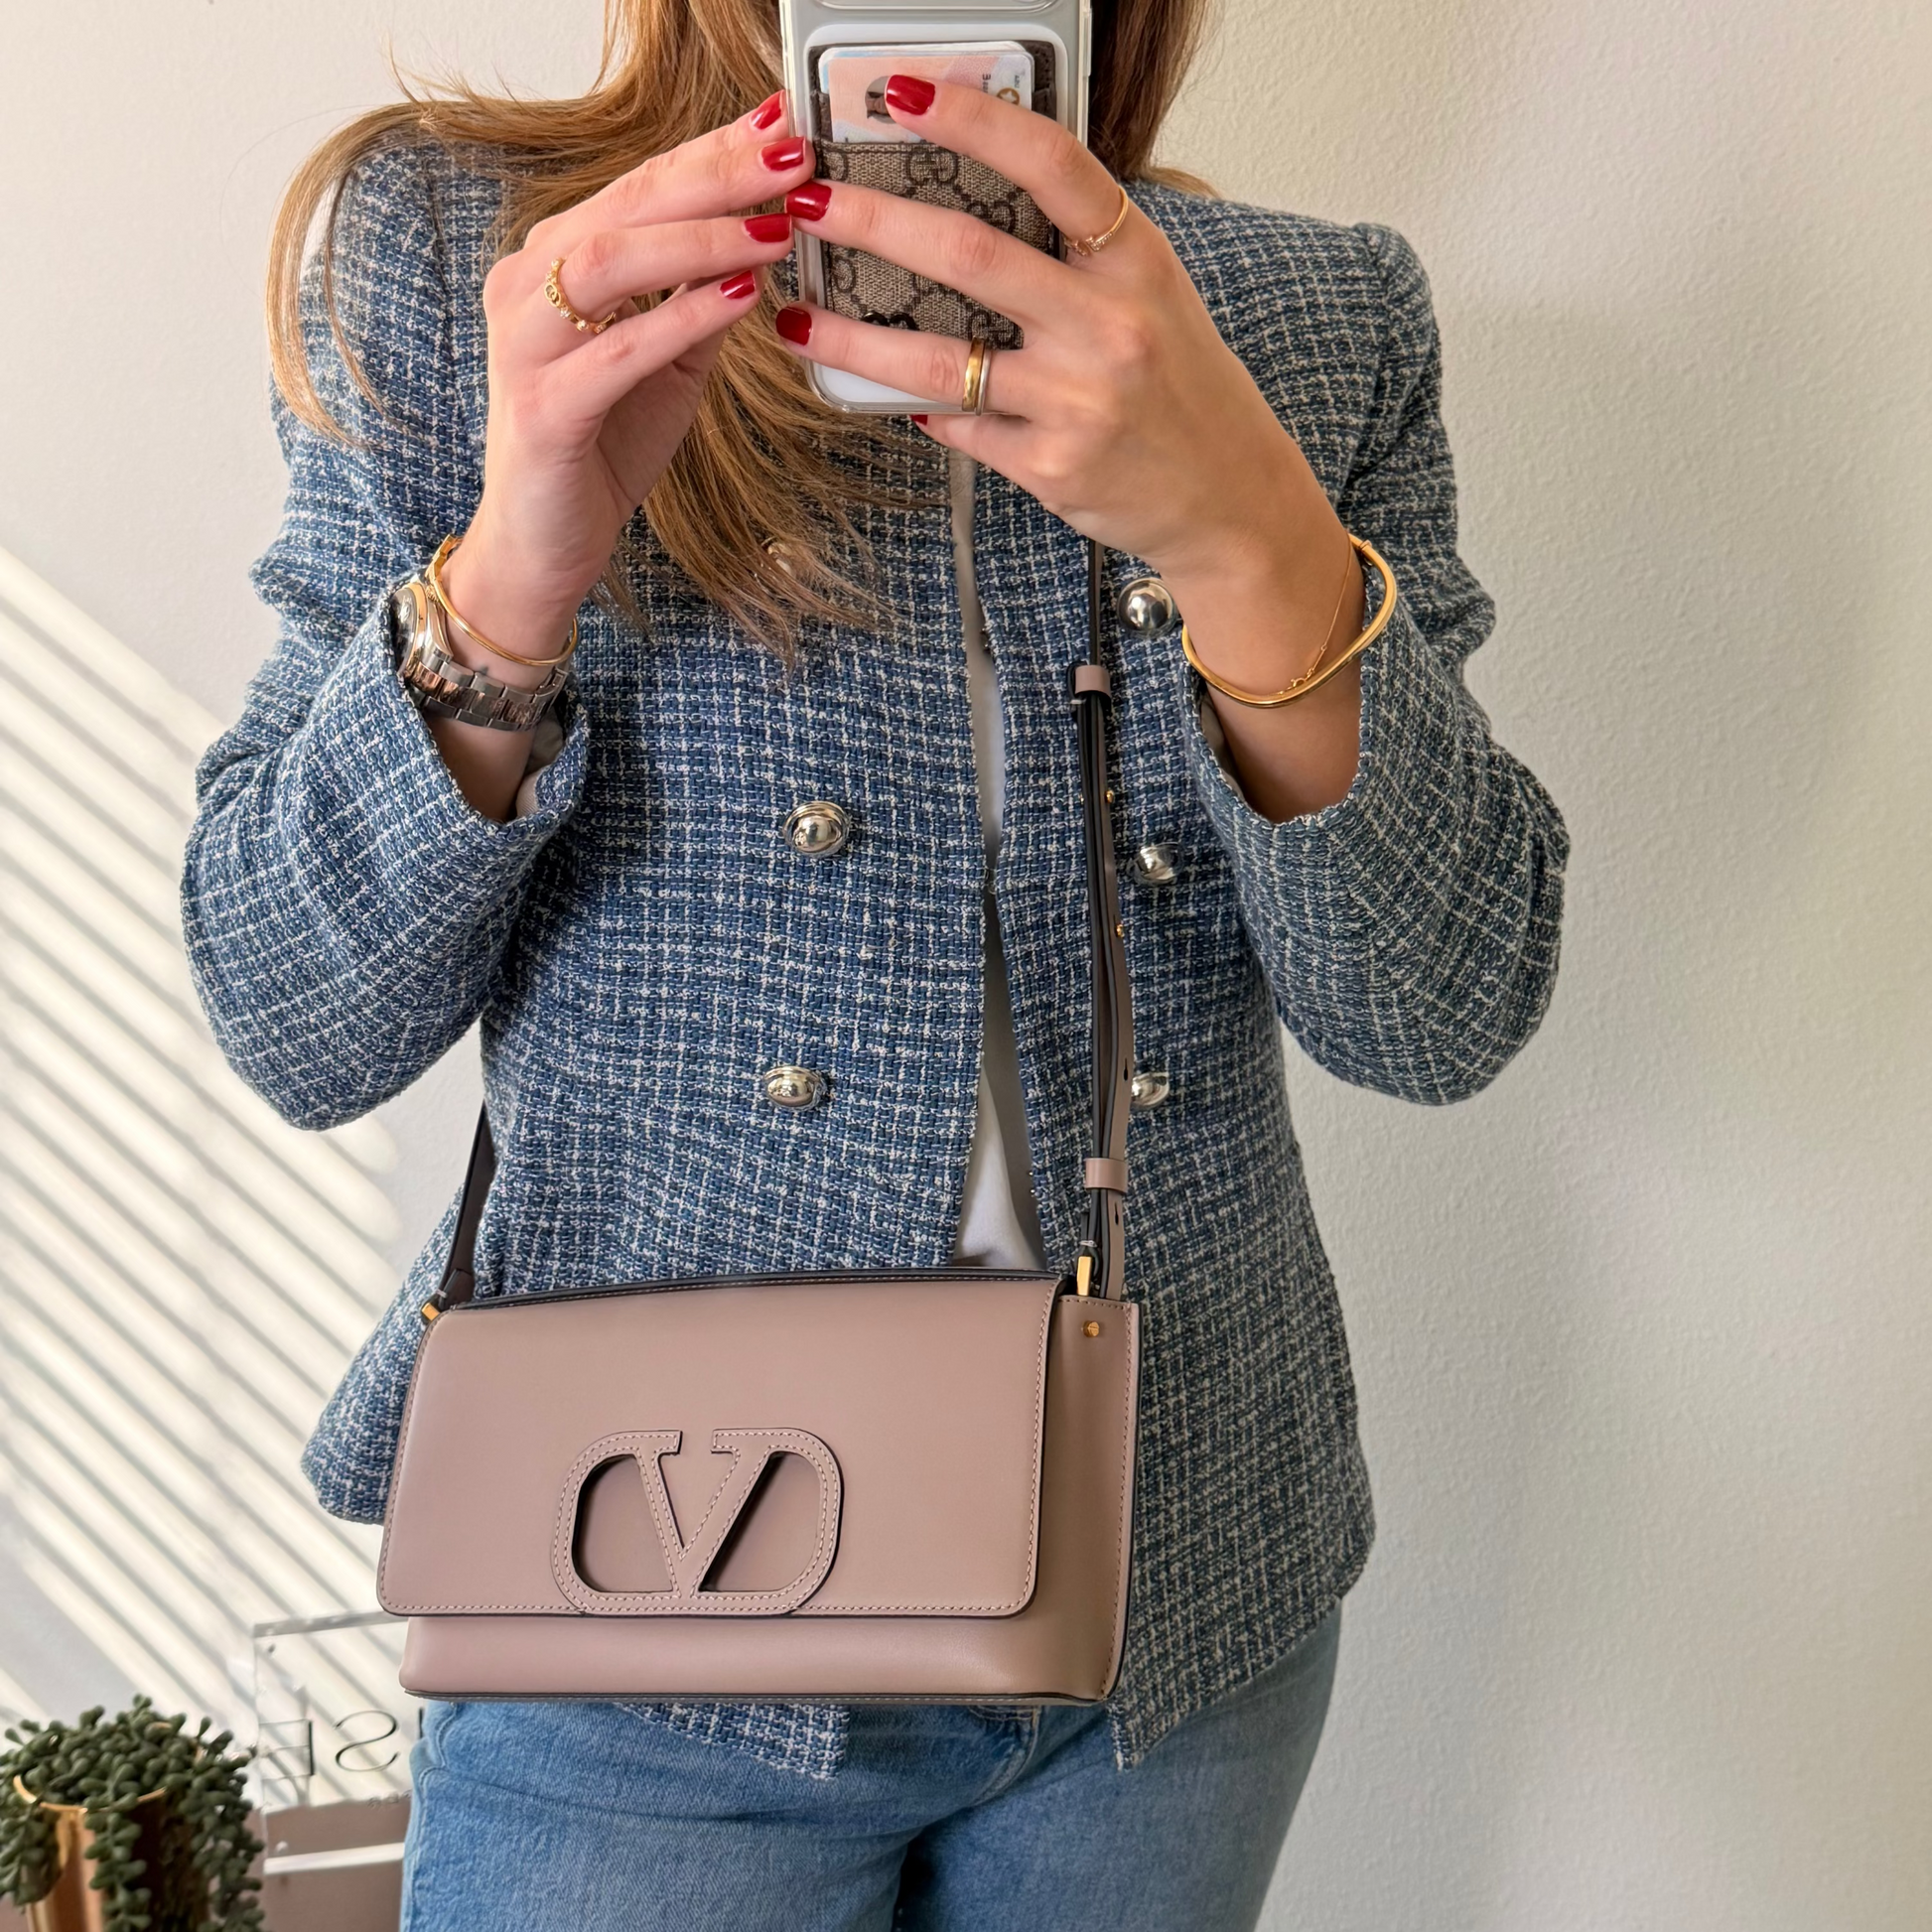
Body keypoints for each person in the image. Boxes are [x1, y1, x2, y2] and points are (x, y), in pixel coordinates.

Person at [181, 3, 1569, 1926]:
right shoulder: (470, 247)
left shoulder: (1304, 314)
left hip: (1174, 1604)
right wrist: (517, 568)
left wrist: (1246, 534)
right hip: (646, 1602)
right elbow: (292, 1013)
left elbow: (1438, 1009)